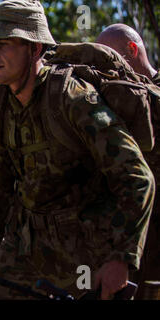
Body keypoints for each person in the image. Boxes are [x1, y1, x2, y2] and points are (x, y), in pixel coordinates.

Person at [0, 0, 155, 300]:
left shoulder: (74, 100)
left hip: (86, 249)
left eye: (3, 43)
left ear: (35, 49)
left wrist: (120, 259)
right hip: (27, 244)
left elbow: (137, 178)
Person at [97, 23, 160, 299]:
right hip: (135, 236)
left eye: (111, 57)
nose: (106, 68)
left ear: (132, 50)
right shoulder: (119, 99)